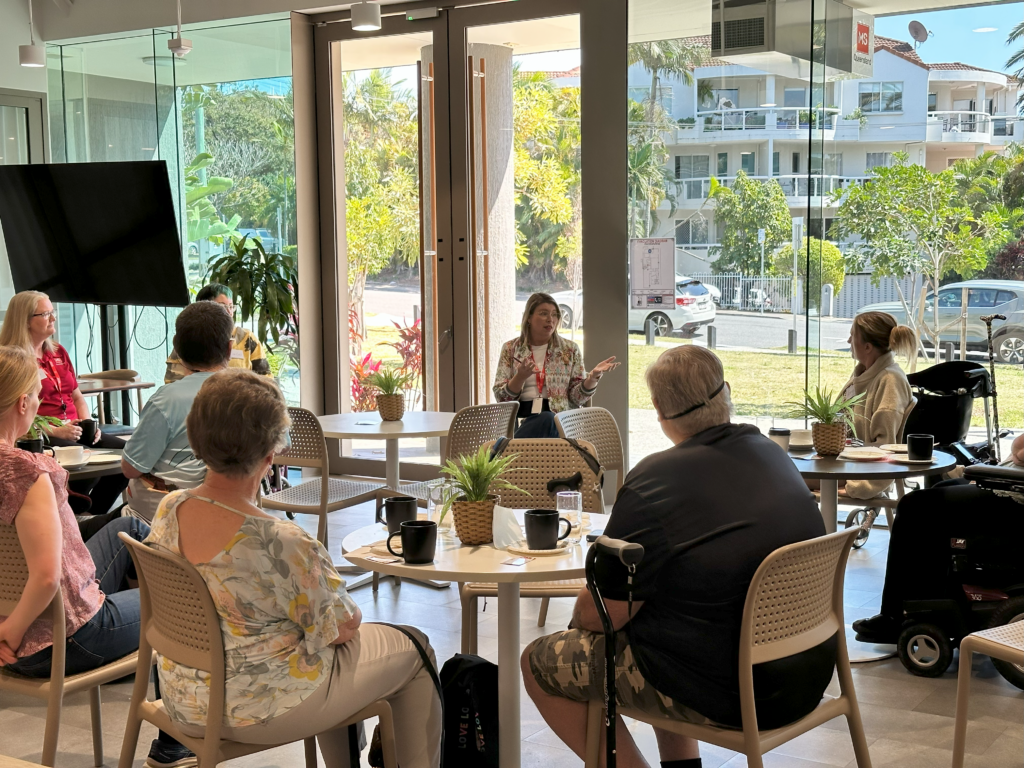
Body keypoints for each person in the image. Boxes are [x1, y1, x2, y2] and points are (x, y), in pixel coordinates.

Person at [522, 346, 836, 768]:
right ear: (726, 390)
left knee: (539, 662)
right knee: (658, 628)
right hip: (805, 676)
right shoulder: (772, 454)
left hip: (729, 692)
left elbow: (601, 615)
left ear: (658, 409)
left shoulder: (655, 481)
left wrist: (581, 619)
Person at [146, 369, 442, 768]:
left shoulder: (169, 509)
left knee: (317, 646)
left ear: (197, 441)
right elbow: (342, 627)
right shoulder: (280, 541)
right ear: (270, 455)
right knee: (414, 646)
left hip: (184, 698)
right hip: (262, 708)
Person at [0, 345, 192, 768]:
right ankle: (175, 740)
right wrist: (11, 632)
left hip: (23, 628)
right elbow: (47, 577)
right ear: (22, 402)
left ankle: (140, 654)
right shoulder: (29, 472)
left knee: (132, 528)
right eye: (37, 393)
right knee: (183, 604)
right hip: (59, 637)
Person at [853, 433, 1024, 644]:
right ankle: (929, 603)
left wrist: (1018, 453)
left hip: (1015, 493)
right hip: (1008, 480)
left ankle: (894, 615)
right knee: (937, 492)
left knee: (913, 506)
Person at [0, 291, 128, 521]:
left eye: (53, 312)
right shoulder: (13, 361)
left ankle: (90, 514)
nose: (53, 318)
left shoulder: (58, 351)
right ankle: (70, 511)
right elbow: (13, 413)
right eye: (46, 313)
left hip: (75, 427)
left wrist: (89, 423)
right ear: (25, 320)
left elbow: (77, 396)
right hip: (44, 433)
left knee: (127, 456)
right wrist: (56, 431)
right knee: (80, 456)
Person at [121, 301, 234, 522]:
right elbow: (281, 446)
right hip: (230, 515)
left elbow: (131, 469)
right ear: (229, 348)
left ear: (177, 348)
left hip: (163, 521)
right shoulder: (254, 394)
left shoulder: (166, 400)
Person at [493, 292, 619, 437]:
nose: (550, 319)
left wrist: (593, 377)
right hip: (520, 417)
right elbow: (501, 397)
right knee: (544, 421)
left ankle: (506, 452)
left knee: (548, 418)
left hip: (559, 419)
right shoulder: (511, 348)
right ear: (529, 318)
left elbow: (577, 398)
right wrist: (519, 377)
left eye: (554, 314)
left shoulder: (569, 349)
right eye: (543, 313)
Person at [841, 311, 916, 500]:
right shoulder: (863, 375)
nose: (848, 341)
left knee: (786, 477)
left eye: (852, 335)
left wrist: (857, 488)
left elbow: (886, 449)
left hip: (858, 471)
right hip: (845, 461)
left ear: (867, 347)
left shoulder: (890, 381)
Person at [164, 283, 270, 384]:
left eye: (231, 306)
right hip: (196, 399)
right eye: (223, 307)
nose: (229, 312)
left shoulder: (246, 338)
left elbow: (265, 379)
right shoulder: (190, 337)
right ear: (204, 309)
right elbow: (172, 381)